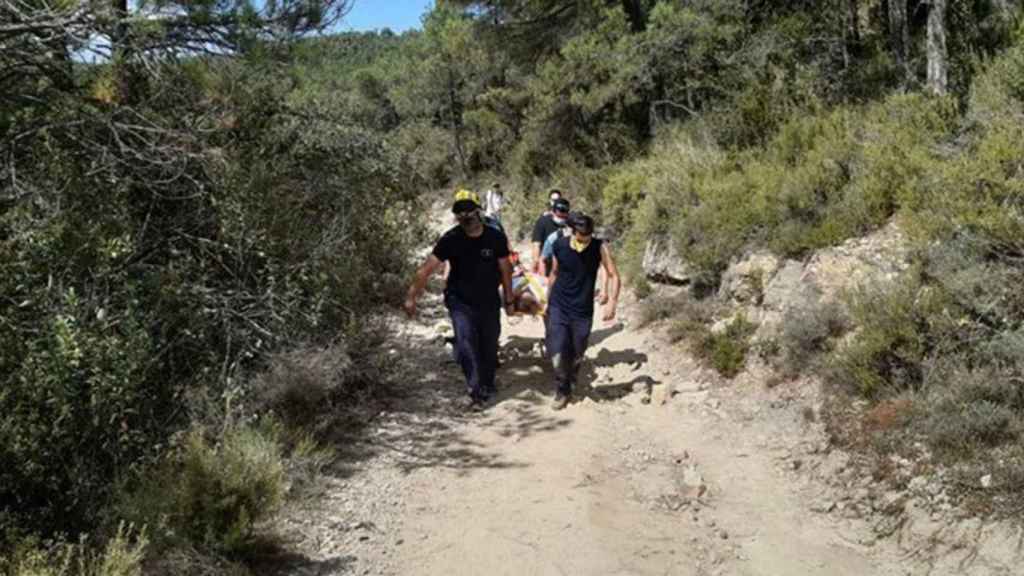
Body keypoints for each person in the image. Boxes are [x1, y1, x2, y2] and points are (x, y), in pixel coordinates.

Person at [405, 189, 515, 411]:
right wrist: (411, 297)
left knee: (489, 343)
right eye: (459, 213)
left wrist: (509, 299)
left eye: (469, 211)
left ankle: (487, 382)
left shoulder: (495, 237)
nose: (465, 217)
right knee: (465, 342)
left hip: (488, 300)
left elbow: (506, 269)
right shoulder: (451, 239)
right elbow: (426, 269)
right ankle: (475, 390)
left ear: (478, 211)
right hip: (459, 301)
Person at [546, 212, 621, 410]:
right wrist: (547, 299)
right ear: (573, 231)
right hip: (559, 304)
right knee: (559, 348)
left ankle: (572, 375)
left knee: (578, 349)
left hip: (582, 308)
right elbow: (554, 272)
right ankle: (562, 390)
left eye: (588, 236)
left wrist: (612, 302)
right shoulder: (560, 245)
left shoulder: (599, 247)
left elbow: (613, 275)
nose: (585, 240)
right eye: (581, 237)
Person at [531, 197, 570, 276]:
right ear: (553, 212)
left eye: (564, 217)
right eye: (559, 216)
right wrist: (536, 262)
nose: (561, 219)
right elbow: (536, 244)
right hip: (546, 261)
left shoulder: (569, 223)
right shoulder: (543, 222)